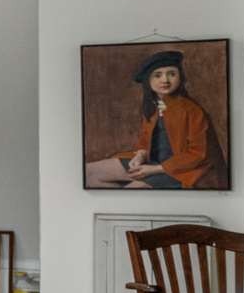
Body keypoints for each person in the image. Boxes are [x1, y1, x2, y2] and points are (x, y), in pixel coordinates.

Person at [85, 50, 226, 189]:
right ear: (148, 80)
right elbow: (145, 141)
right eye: (157, 75)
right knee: (88, 173)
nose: (165, 80)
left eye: (172, 74)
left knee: (132, 190)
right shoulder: (153, 107)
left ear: (180, 77)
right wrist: (140, 155)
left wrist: (155, 169)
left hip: (183, 170)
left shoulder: (192, 111)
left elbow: (198, 154)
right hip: (152, 162)